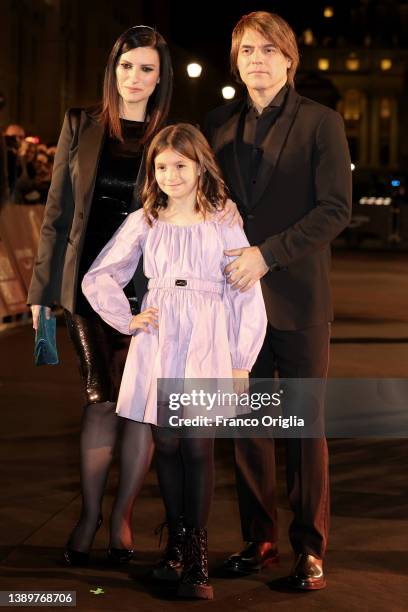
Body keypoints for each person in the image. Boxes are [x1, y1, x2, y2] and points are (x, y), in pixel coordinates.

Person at [28, 25, 240, 567]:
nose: (135, 78)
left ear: (160, 78)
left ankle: (123, 516)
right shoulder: (81, 123)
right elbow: (56, 213)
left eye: (147, 69)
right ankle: (89, 514)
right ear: (112, 70)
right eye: (127, 67)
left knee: (144, 409)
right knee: (100, 400)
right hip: (87, 286)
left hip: (154, 292)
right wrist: (40, 290)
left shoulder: (170, 135)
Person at [81, 123, 267, 599]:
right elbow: (101, 273)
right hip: (160, 338)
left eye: (180, 165)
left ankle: (198, 560)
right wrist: (128, 319)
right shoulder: (146, 218)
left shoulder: (223, 216)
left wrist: (242, 360)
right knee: (165, 446)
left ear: (200, 165)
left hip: (207, 338)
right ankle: (176, 550)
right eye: (161, 166)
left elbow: (246, 291)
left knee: (197, 447)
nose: (170, 175)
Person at [204, 11, 352, 590]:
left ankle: (310, 549)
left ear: (290, 59)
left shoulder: (322, 123)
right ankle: (257, 539)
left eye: (268, 50)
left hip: (299, 300)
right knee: (248, 427)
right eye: (246, 51)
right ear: (236, 62)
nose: (257, 60)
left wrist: (268, 254)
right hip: (235, 304)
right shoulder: (216, 124)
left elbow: (335, 209)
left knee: (303, 428)